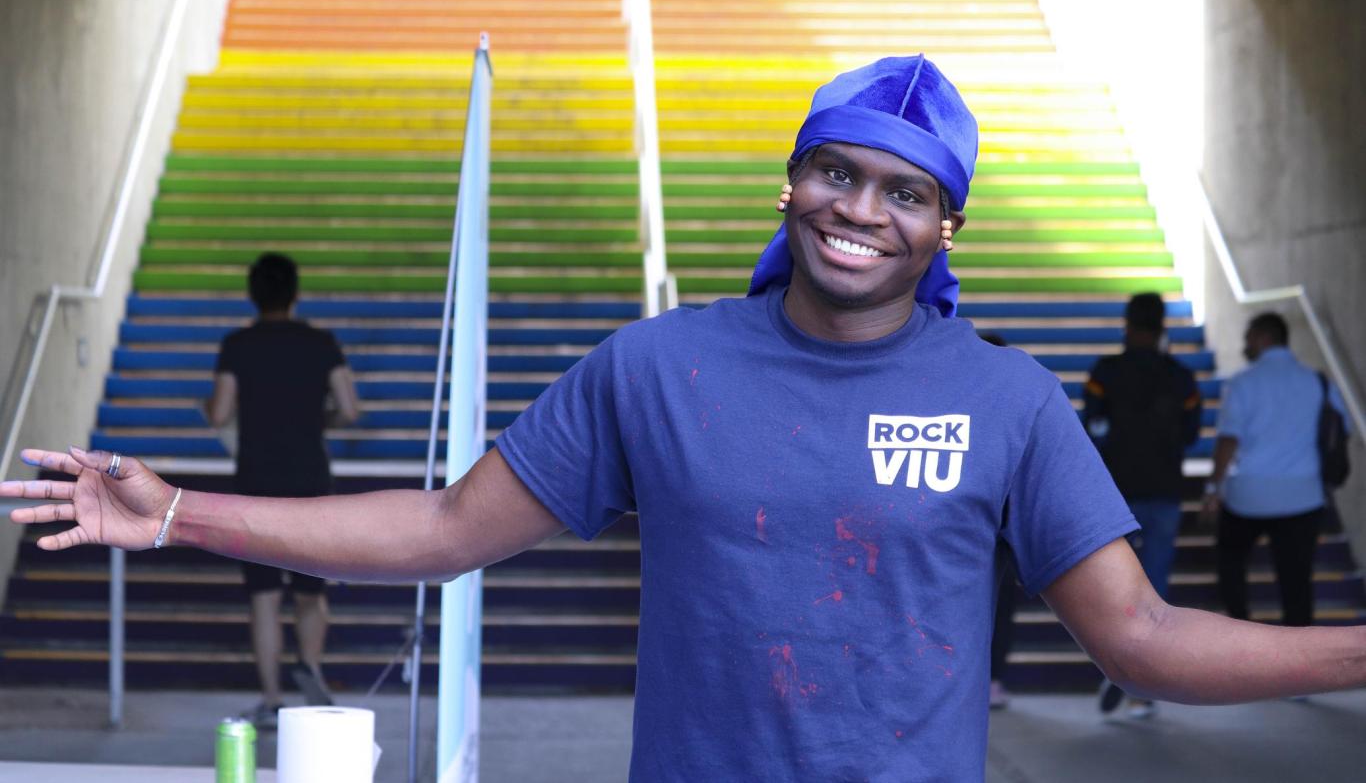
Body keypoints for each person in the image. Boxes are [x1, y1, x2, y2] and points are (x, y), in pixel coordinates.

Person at [9, 56, 1366, 783]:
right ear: (790, 187)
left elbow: (1140, 634)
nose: (858, 208)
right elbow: (439, 527)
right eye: (832, 172)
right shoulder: (656, 367)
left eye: (902, 191)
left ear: (944, 226)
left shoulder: (1003, 396)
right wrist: (180, 509)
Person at [205, 252, 360, 727]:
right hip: (309, 476)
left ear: (253, 295)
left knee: (264, 595)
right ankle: (309, 669)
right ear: (295, 293)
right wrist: (321, 419)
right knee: (312, 590)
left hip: (256, 481)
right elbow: (350, 409)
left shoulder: (237, 345)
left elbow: (219, 413)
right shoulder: (320, 343)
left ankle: (272, 700)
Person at [1083, 292, 1201, 718]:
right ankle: (1142, 686)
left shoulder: (1105, 374)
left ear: (1127, 324)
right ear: (1163, 327)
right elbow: (1190, 434)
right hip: (1166, 492)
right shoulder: (1182, 378)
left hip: (1115, 496)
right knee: (1156, 591)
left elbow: (1091, 430)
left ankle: (1117, 664)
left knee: (1112, 588)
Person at [1204, 312, 1349, 633]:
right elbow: (1342, 428)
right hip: (1303, 497)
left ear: (1264, 337)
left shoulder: (1243, 382)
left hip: (1248, 497)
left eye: (1249, 337)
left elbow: (1229, 440)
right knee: (1296, 581)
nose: (1245, 344)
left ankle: (1241, 633)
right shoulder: (1317, 381)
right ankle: (1299, 662)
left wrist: (1213, 488)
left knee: (1231, 563)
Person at [978, 332, 1018, 711]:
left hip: (998, 540)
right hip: (991, 541)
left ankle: (990, 679)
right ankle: (992, 679)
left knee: (999, 607)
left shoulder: (1017, 414)